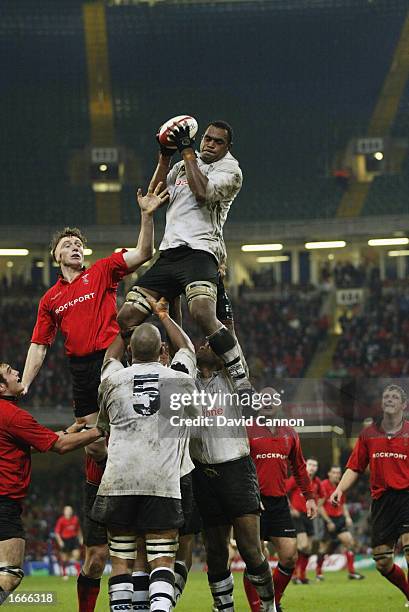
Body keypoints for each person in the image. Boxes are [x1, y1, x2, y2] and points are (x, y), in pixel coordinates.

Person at [21, 184, 168, 612]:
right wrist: (27, 382)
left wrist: (146, 215)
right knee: (98, 439)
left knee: (133, 430)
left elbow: (143, 253)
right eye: (68, 244)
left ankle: (139, 486)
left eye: (78, 243)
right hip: (80, 372)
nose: (75, 247)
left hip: (111, 361)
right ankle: (116, 482)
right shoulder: (51, 299)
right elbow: (39, 345)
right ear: (56, 258)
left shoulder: (102, 271)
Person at [117, 120, 250, 392]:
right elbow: (154, 195)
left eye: (218, 141)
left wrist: (188, 151)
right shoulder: (181, 165)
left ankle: (240, 377)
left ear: (228, 147)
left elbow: (202, 193)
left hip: (201, 251)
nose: (210, 144)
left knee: (201, 311)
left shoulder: (231, 170)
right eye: (207, 139)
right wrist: (165, 156)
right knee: (126, 317)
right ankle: (133, 375)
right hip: (169, 254)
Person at [90, 296, 197, 612]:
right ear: (162, 350)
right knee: (162, 558)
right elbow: (188, 349)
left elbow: (109, 358)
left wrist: (124, 331)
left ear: (131, 351)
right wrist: (163, 315)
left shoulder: (112, 380)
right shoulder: (179, 379)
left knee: (121, 560)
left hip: (118, 481)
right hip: (161, 483)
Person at [189, 290, 276, 612]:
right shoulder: (187, 381)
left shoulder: (231, 378)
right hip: (202, 471)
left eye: (210, 343)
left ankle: (269, 606)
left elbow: (228, 336)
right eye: (202, 343)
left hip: (236, 469)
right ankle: (223, 607)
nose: (204, 344)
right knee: (214, 550)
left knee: (252, 548)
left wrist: (219, 289)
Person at [0, 362, 103, 606]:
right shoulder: (12, 415)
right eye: (10, 372)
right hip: (4, 502)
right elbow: (60, 447)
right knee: (9, 574)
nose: (17, 373)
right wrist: (101, 429)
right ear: (1, 386)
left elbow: (38, 444)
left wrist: (72, 429)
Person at [330, 384, 409, 605]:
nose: (390, 399)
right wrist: (339, 489)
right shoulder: (369, 434)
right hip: (382, 501)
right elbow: (354, 467)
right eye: (386, 396)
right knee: (383, 562)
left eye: (395, 396)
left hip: (407, 497)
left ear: (404, 404)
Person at [245, 390, 317, 611]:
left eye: (271, 400)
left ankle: (272, 603)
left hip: (278, 503)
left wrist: (310, 497)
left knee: (289, 556)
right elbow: (236, 467)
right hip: (252, 503)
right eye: (262, 400)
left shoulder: (290, 433)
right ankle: (258, 608)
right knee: (255, 560)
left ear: (279, 404)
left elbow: (299, 467)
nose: (267, 403)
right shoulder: (245, 429)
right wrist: (246, 495)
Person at [316, 465, 364, 581]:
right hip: (328, 520)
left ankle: (352, 572)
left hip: (339, 520)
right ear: (329, 474)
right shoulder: (324, 485)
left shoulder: (340, 486)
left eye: (338, 473)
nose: (337, 475)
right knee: (324, 548)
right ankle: (318, 573)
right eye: (334, 473)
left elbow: (342, 504)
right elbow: (319, 506)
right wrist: (328, 521)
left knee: (349, 542)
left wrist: (347, 517)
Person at [286, 457, 323, 584]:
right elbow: (283, 491)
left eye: (315, 465)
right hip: (297, 516)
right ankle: (295, 574)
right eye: (310, 465)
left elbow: (323, 496)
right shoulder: (297, 478)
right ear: (305, 466)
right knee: (303, 545)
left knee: (308, 549)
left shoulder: (317, 482)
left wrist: (316, 507)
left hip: (309, 516)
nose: (312, 467)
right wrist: (291, 509)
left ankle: (301, 576)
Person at [54, 505, 83, 579]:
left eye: (70, 510)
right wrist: (60, 541)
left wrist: (80, 538)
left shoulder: (75, 519)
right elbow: (57, 532)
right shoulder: (61, 520)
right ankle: (64, 574)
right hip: (65, 540)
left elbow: (78, 530)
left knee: (77, 555)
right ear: (64, 512)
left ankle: (78, 574)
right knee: (64, 559)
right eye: (67, 510)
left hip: (73, 539)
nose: (69, 512)